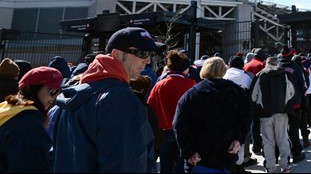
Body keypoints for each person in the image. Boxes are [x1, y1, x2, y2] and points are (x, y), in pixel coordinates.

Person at [53, 27, 166, 172]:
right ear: (116, 54)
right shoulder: (119, 97)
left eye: (150, 54)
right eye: (142, 53)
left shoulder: (76, 91)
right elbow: (125, 164)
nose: (148, 60)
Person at [173, 56, 251, 173]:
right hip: (227, 153)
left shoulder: (192, 94)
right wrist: (238, 139)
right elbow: (246, 116)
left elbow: (179, 124)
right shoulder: (237, 92)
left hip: (199, 155)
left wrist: (188, 151)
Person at [0, 66, 63, 173]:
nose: (56, 96)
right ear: (34, 89)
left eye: (59, 91)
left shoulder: (8, 109)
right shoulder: (28, 124)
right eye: (53, 91)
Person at [148, 49, 196, 174]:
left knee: (165, 163)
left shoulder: (159, 85)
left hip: (163, 130)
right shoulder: (190, 84)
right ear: (184, 68)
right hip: (184, 130)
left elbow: (151, 107)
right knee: (182, 164)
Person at [251, 56, 295, 174]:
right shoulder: (284, 74)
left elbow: (253, 96)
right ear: (276, 63)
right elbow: (291, 92)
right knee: (283, 139)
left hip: (265, 113)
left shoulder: (260, 75)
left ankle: (270, 167)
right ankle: (285, 165)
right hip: (281, 111)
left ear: (266, 63)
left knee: (268, 141)